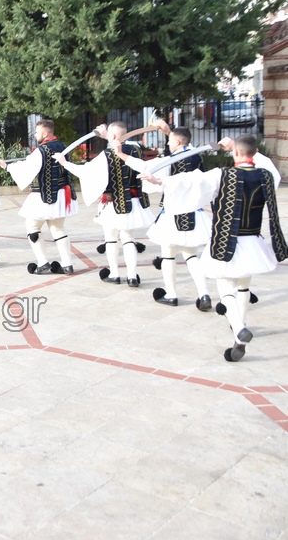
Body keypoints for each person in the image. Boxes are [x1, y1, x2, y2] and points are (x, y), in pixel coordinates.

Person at [140, 135, 286, 362]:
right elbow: (268, 168)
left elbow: (191, 181)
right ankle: (239, 327)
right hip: (253, 241)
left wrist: (160, 182)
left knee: (225, 287)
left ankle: (239, 328)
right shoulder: (266, 175)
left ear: (234, 152)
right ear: (254, 152)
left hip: (227, 242)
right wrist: (244, 149)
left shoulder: (222, 174)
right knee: (243, 287)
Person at [113, 124, 211, 309]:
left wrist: (120, 154)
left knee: (168, 256)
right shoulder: (196, 156)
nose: (168, 143)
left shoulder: (171, 160)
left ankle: (172, 295)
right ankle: (204, 294)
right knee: (191, 256)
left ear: (178, 142)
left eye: (170, 140)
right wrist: (168, 132)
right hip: (193, 213)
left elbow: (144, 166)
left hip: (173, 214)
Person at [57, 121, 153, 286]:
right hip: (134, 202)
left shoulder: (106, 155)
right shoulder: (136, 149)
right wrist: (107, 135)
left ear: (113, 135)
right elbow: (121, 142)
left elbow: (85, 171)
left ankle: (115, 274)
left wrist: (65, 163)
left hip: (114, 203)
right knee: (128, 239)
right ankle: (132, 277)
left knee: (111, 239)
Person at [0, 119, 78, 274]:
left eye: (37, 132)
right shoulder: (62, 146)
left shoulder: (41, 151)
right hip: (61, 194)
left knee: (33, 227)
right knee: (58, 228)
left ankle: (43, 263)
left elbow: (27, 168)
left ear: (45, 133)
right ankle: (67, 264)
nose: (35, 134)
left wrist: (7, 166)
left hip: (43, 195)